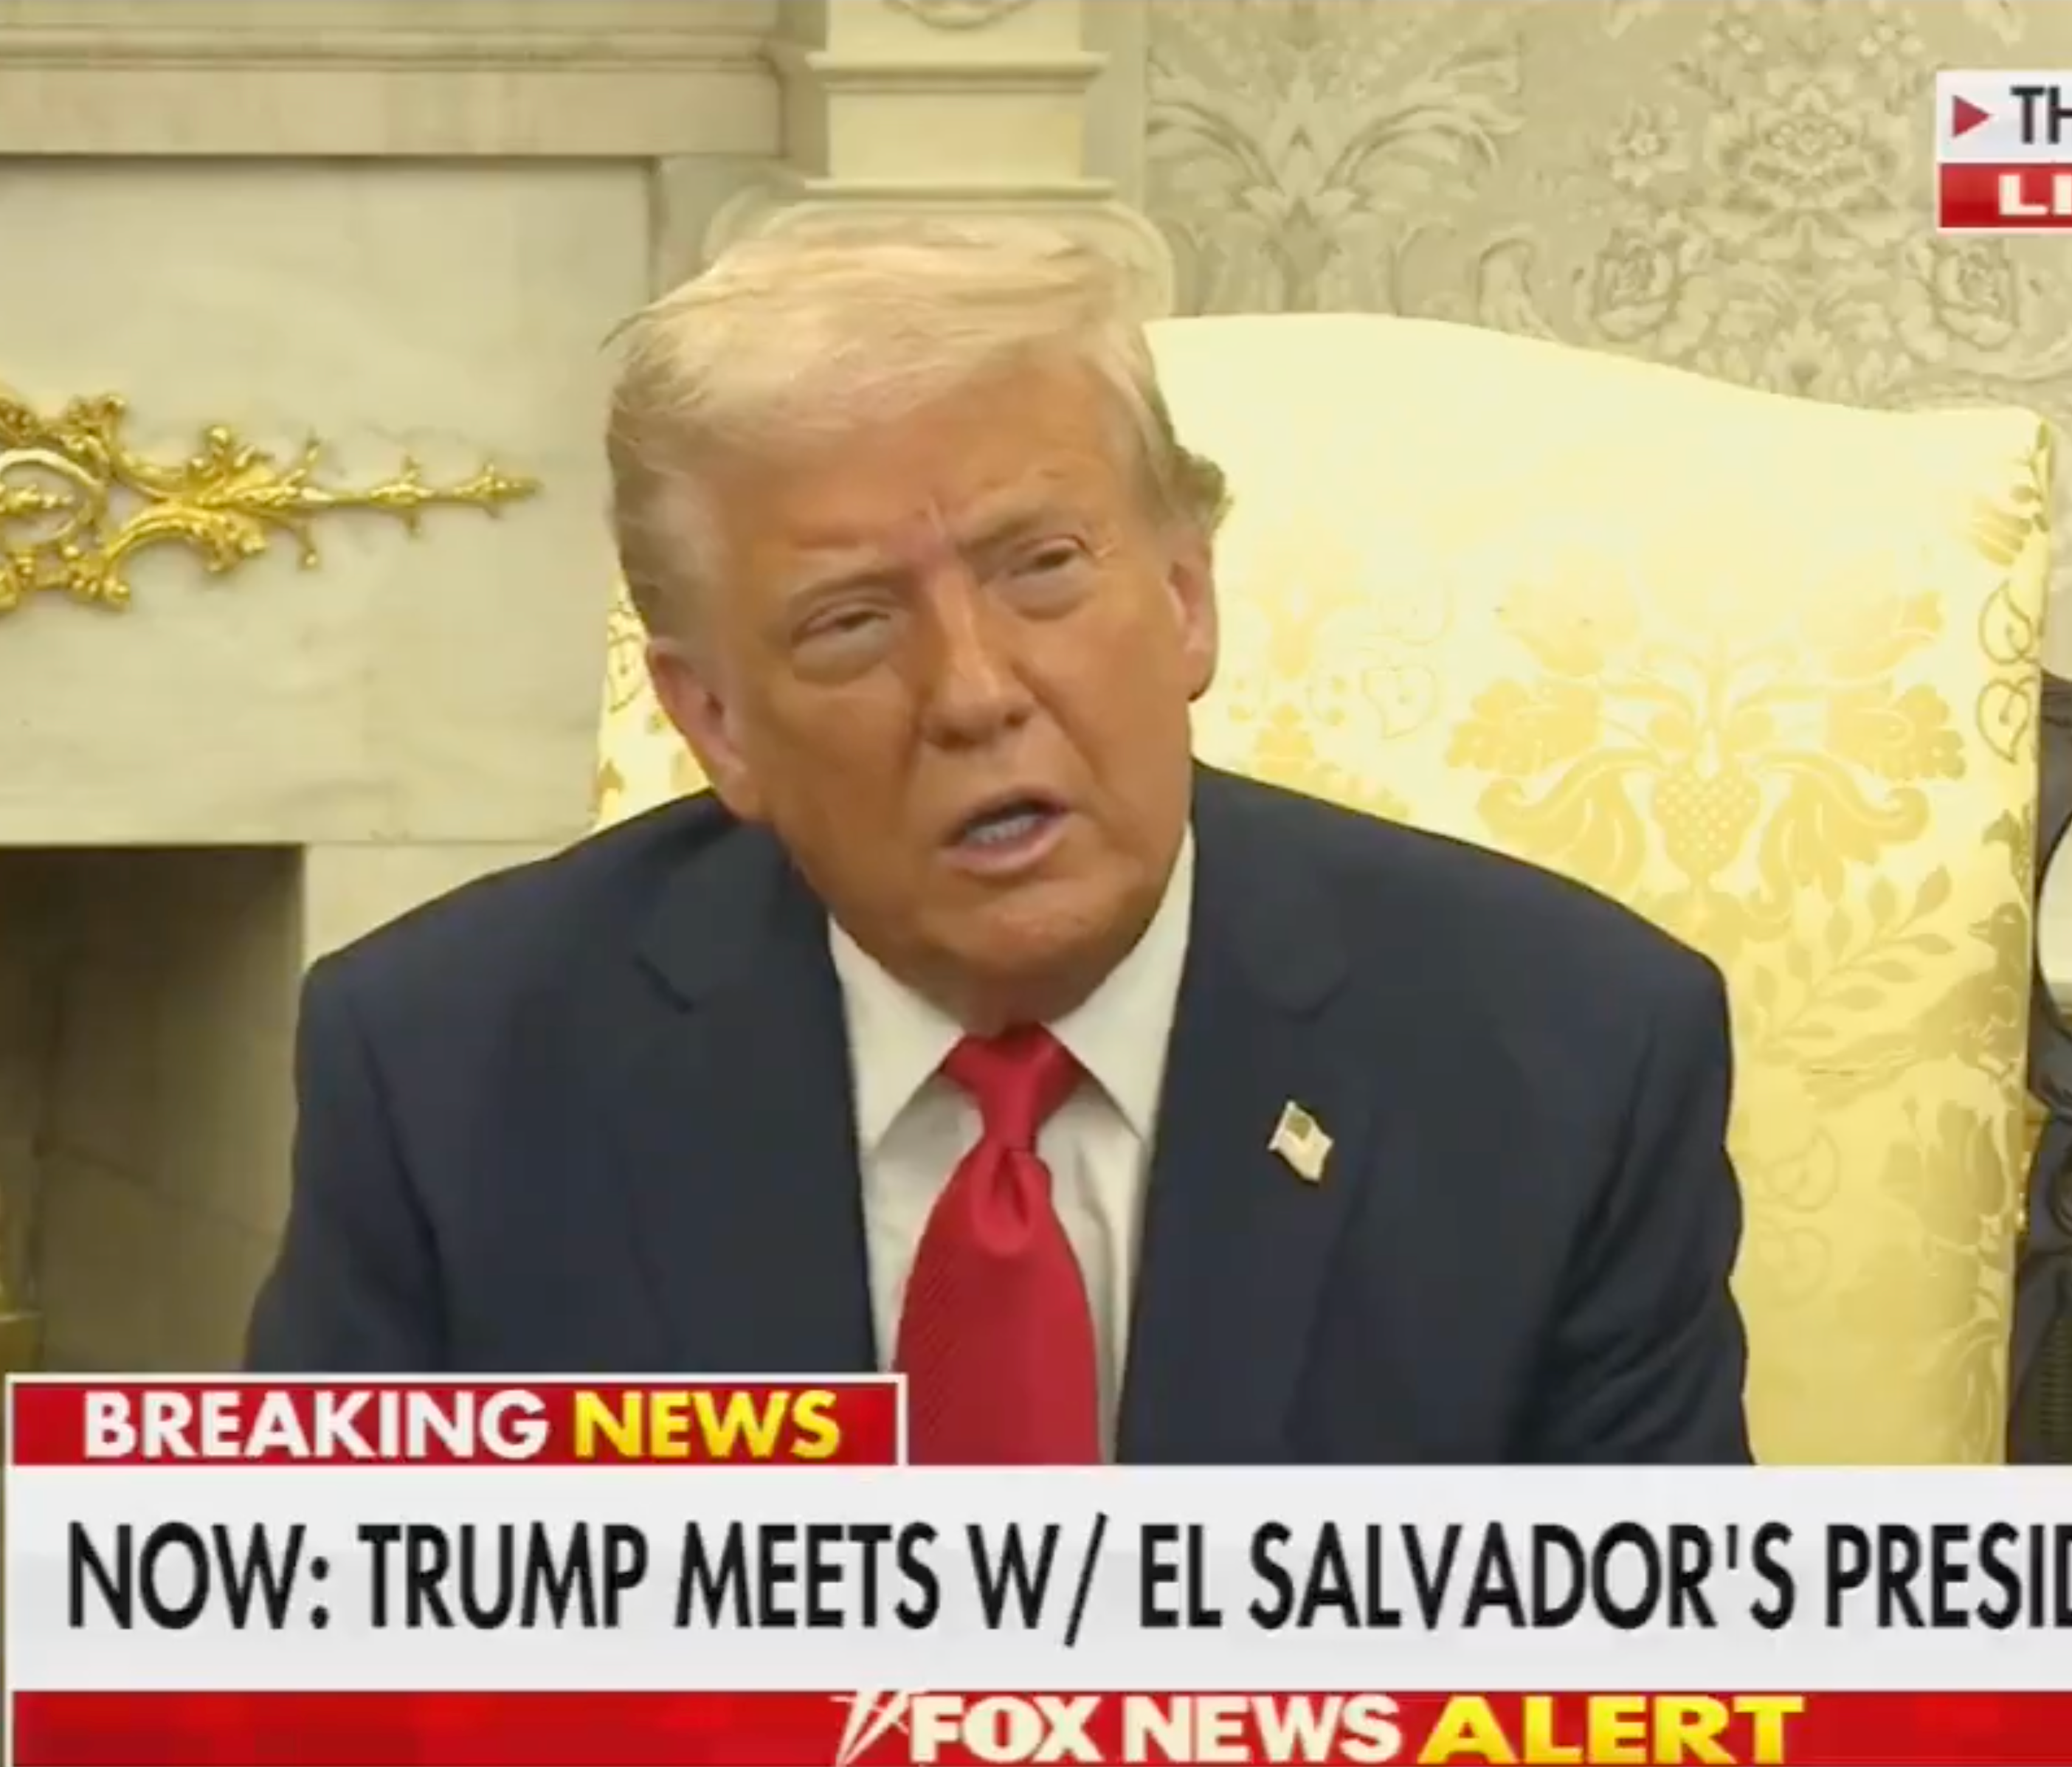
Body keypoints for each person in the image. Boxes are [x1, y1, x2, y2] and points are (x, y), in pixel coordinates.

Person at [244, 215, 1755, 1465]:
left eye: (1041, 568)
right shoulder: (447, 1072)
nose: (973, 693)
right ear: (715, 723)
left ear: (1182, 599)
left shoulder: (1566, 1058)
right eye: (849, 625)